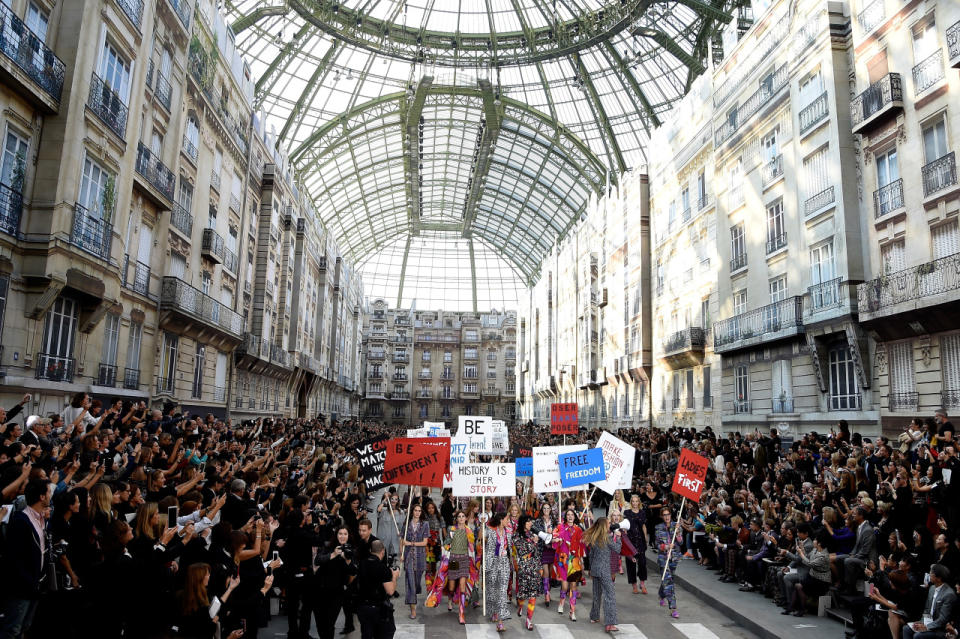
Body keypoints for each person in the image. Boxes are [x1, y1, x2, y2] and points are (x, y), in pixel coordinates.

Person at [0, 479, 50, 639]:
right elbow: (14, 558)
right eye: (48, 492)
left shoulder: (42, 520)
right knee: (12, 630)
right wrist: (28, 581)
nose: (51, 495)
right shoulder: (20, 522)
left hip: (36, 586)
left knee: (25, 627)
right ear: (42, 497)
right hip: (21, 588)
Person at [310, 526, 357, 639]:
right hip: (319, 590)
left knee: (330, 623)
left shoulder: (351, 550)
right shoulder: (327, 546)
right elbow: (317, 560)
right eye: (340, 533)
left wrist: (347, 559)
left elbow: (354, 571)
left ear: (348, 536)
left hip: (336, 592)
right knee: (320, 624)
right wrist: (334, 554)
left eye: (345, 534)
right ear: (336, 535)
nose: (342, 536)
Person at [356, 540, 399, 639]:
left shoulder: (362, 564)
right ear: (383, 551)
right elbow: (390, 591)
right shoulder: (383, 568)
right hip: (377, 609)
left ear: (371, 550)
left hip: (362, 607)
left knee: (366, 634)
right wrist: (394, 577)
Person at [585, 517, 621, 632]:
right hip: (604, 570)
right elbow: (618, 549)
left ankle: (594, 616)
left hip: (595, 569)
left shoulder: (594, 538)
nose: (610, 524)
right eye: (608, 523)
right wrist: (618, 537)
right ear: (604, 526)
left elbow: (591, 555)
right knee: (609, 596)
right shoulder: (607, 538)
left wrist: (590, 569)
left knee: (597, 594)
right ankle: (609, 623)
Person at [902, 564, 956, 639]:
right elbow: (927, 609)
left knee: (918, 636)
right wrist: (921, 622)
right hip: (929, 622)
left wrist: (926, 627)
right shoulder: (932, 588)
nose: (929, 574)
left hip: (940, 628)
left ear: (939, 578)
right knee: (906, 629)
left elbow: (943, 619)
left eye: (931, 573)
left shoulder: (949, 594)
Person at [784, 531, 831, 617]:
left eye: (815, 540)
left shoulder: (823, 556)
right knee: (797, 586)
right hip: (813, 577)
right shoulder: (815, 550)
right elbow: (807, 557)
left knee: (799, 586)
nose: (813, 541)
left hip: (821, 581)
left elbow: (809, 563)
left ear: (819, 543)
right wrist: (802, 549)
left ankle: (801, 609)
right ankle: (791, 607)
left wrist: (801, 553)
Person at [513, 514, 544, 631]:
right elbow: (522, 550)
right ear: (523, 523)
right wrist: (533, 542)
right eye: (529, 522)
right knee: (522, 594)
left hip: (534, 567)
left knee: (533, 595)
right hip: (524, 568)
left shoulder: (532, 535)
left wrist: (539, 568)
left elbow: (536, 553)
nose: (531, 524)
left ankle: (529, 620)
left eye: (531, 522)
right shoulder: (516, 536)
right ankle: (520, 606)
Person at [553, 508, 584, 621]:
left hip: (574, 560)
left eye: (572, 515)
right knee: (565, 586)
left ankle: (572, 611)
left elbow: (581, 545)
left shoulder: (578, 529)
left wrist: (581, 560)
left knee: (573, 586)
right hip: (563, 559)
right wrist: (557, 538)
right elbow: (553, 538)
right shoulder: (560, 527)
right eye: (568, 515)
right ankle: (561, 603)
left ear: (575, 517)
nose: (570, 516)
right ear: (565, 517)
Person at [484, 512, 511, 632]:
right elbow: (481, 540)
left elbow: (513, 546)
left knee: (502, 591)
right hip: (492, 563)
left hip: (504, 563)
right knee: (492, 590)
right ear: (501, 520)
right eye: (507, 519)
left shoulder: (509, 532)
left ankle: (501, 621)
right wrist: (482, 524)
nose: (508, 521)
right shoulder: (490, 531)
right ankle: (493, 611)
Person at [401, 503, 429, 619]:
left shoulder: (425, 524)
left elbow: (425, 542)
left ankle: (417, 589)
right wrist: (401, 554)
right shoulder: (406, 524)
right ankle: (413, 609)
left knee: (416, 583)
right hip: (408, 557)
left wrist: (411, 543)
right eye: (415, 510)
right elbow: (402, 540)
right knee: (410, 583)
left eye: (419, 511)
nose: (417, 512)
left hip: (420, 557)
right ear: (412, 511)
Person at [656, 506, 682, 619]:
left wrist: (677, 533)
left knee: (668, 580)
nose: (667, 517)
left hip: (674, 558)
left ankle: (661, 594)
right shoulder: (658, 528)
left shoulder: (676, 526)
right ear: (662, 516)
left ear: (671, 515)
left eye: (668, 514)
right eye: (664, 515)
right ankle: (673, 608)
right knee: (669, 582)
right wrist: (666, 546)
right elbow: (657, 544)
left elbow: (680, 542)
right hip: (663, 559)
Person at [532, 503, 556, 607]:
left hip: (553, 549)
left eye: (548, 508)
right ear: (542, 509)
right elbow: (535, 532)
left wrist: (553, 534)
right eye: (544, 508)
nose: (546, 510)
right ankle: (546, 594)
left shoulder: (555, 521)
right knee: (545, 571)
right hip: (543, 549)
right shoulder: (538, 521)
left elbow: (559, 533)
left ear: (550, 509)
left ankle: (548, 590)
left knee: (550, 573)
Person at [623, 494, 648, 594]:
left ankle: (642, 584)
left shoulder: (642, 513)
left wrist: (645, 538)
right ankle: (634, 585)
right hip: (630, 540)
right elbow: (624, 525)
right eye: (633, 501)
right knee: (631, 564)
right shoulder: (627, 513)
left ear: (639, 502)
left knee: (642, 563)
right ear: (631, 502)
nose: (634, 503)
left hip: (640, 540)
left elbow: (644, 526)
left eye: (636, 501)